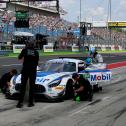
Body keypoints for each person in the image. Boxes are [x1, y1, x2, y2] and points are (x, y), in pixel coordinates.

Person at [16, 42, 39, 108]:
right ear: (33, 46)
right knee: (32, 86)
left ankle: (20, 103)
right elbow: (37, 62)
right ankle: (30, 103)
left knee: (23, 86)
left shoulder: (24, 50)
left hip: (25, 69)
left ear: (27, 46)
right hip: (33, 70)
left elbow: (19, 57)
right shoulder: (36, 52)